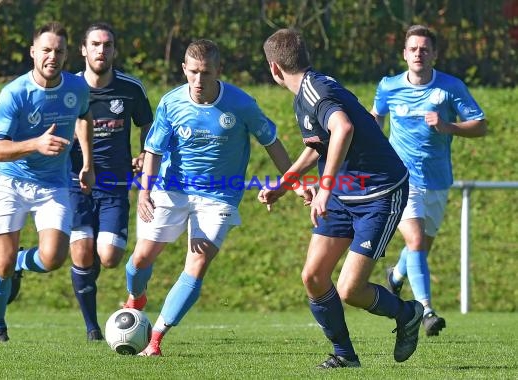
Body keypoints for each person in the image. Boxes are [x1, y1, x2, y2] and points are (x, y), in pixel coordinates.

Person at [261, 28, 424, 369]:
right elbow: (318, 145)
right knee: (314, 277)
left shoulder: (315, 92)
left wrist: (324, 186)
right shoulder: (307, 91)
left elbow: (343, 128)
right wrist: (284, 184)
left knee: (351, 290)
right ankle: (345, 356)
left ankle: (406, 312)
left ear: (274, 69)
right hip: (343, 193)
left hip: (380, 193)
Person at [122, 39, 293, 356]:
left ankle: (156, 339)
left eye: (206, 72)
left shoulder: (241, 104)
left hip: (219, 196)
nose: (199, 80)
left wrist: (294, 182)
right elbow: (154, 151)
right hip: (171, 188)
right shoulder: (171, 103)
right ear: (184, 69)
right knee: (139, 262)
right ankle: (137, 296)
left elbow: (271, 141)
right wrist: (144, 193)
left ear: (219, 71)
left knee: (197, 263)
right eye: (194, 72)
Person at [370, 25, 487, 337]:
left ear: (434, 54)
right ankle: (425, 310)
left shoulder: (450, 87)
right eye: (413, 49)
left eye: (424, 49)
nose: (418, 53)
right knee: (417, 241)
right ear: (405, 54)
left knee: (420, 247)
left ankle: (395, 275)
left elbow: (480, 125)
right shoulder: (389, 86)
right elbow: (376, 117)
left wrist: (449, 127)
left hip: (437, 180)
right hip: (400, 178)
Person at [0, 21, 94, 342]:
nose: (52, 56)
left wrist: (86, 162)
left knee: (53, 258)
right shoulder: (14, 94)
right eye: (46, 50)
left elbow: (84, 116)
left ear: (66, 55)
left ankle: (22, 261)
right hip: (9, 183)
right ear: (33, 52)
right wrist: (35, 144)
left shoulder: (76, 88)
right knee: (1, 264)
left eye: (58, 51)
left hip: (53, 184)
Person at [68, 22, 153, 341]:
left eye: (107, 45)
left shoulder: (131, 88)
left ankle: (91, 276)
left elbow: (149, 126)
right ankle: (92, 327)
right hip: (74, 182)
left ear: (114, 50)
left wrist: (145, 153)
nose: (101, 50)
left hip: (115, 183)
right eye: (95, 44)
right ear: (83, 49)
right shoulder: (68, 88)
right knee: (82, 252)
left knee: (109, 257)